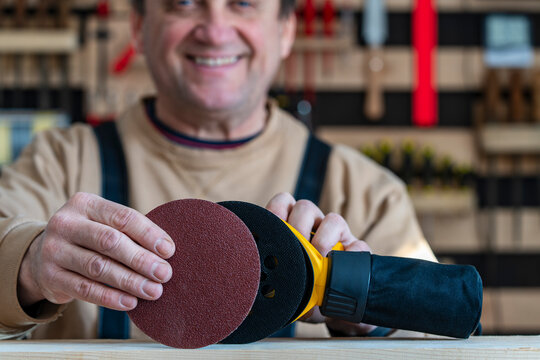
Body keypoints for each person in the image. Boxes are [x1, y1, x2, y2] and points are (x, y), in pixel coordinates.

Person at [0, 0, 435, 341]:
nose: (214, 31)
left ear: (285, 31)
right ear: (139, 28)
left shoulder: (366, 191)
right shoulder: (60, 161)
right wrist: (31, 264)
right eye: (184, 2)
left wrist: (368, 314)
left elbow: (438, 334)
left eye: (243, 3)